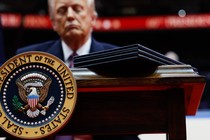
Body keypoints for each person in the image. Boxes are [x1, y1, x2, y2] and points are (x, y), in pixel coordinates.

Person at [15, 0, 140, 140]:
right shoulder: (28, 60)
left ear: (92, 18)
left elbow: (130, 126)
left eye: (77, 9)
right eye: (62, 11)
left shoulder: (119, 60)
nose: (70, 16)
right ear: (54, 23)